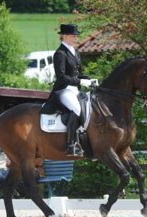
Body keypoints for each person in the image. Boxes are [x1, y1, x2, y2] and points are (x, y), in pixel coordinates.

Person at [51, 23, 95, 157]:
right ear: (64, 36)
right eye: (73, 36)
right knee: (76, 109)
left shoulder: (75, 52)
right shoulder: (60, 53)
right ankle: (71, 144)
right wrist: (81, 81)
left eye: (76, 35)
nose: (76, 38)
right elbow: (62, 77)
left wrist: (90, 80)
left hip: (76, 89)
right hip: (64, 90)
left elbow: (79, 73)